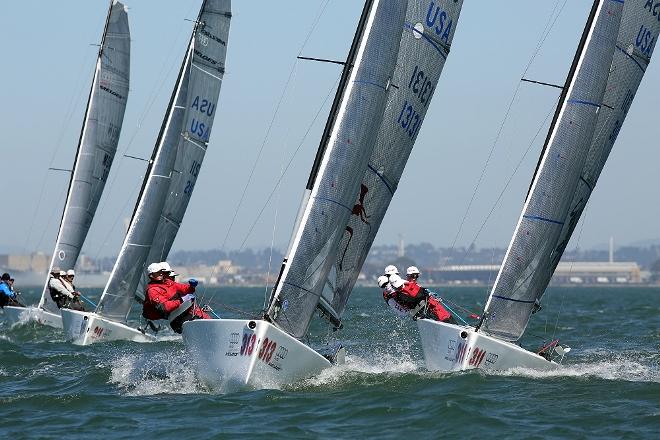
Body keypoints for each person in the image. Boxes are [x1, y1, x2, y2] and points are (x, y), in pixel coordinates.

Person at [142, 262, 209, 334]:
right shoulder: (152, 290)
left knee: (203, 317)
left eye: (161, 272)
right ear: (151, 276)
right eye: (157, 273)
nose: (161, 274)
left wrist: (191, 287)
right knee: (196, 319)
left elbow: (183, 288)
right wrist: (181, 300)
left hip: (183, 313)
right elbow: (165, 307)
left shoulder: (168, 282)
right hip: (175, 319)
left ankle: (213, 327)